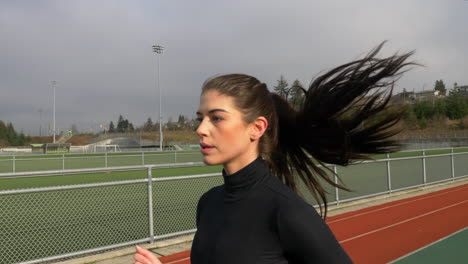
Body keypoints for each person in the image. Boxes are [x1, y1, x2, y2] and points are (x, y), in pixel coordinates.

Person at [133, 42, 415, 264]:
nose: (201, 129)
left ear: (256, 128)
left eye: (216, 118)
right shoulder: (208, 203)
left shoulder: (286, 211)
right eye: (200, 118)